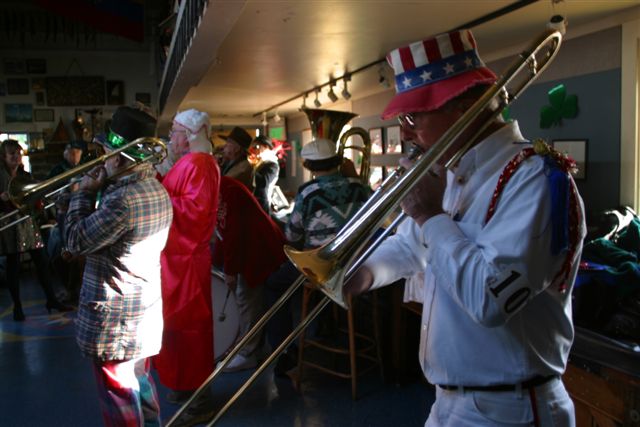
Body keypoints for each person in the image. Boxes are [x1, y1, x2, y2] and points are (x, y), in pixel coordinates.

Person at [344, 29, 586, 426]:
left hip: (511, 409)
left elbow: (491, 300)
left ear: (464, 108)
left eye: (413, 117)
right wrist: (359, 275)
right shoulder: (452, 172)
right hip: (449, 402)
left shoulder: (534, 178)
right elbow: (412, 247)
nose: (405, 132)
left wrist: (430, 215)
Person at [64, 106, 173, 426]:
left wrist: (83, 193)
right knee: (140, 387)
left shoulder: (122, 200)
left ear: (123, 159)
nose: (103, 159)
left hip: (116, 323)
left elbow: (74, 240)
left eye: (108, 154)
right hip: (139, 316)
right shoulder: (155, 188)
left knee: (119, 398)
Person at [264, 137, 370, 376]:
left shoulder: (308, 192)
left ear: (309, 165)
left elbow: (292, 235)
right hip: (360, 265)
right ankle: (325, 326)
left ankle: (285, 352)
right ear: (337, 160)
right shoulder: (359, 185)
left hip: (325, 267)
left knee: (274, 284)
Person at [153, 108, 220, 424]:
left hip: (187, 260)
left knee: (191, 332)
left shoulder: (199, 163)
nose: (170, 138)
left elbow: (194, 212)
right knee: (178, 330)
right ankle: (185, 387)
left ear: (191, 135)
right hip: (179, 259)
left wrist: (154, 196)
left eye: (175, 132)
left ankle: (199, 400)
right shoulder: (193, 162)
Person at [211, 176, 287, 372]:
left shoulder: (228, 191)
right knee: (248, 302)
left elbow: (233, 231)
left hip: (256, 249)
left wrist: (229, 270)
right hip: (251, 247)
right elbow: (222, 231)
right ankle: (250, 347)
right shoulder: (221, 186)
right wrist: (218, 262)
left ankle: (248, 352)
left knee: (248, 301)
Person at [0, 139, 70, 321]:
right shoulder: (0, 176)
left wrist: (39, 202)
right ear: (3, 157)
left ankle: (51, 300)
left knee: (42, 261)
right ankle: (17, 307)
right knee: (13, 265)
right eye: (12, 154)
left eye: (18, 153)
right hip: (10, 224)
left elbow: (34, 198)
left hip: (27, 222)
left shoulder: (25, 175)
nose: (16, 157)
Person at [249, 135, 279, 215]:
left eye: (256, 147)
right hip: (255, 200)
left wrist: (250, 169)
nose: (254, 150)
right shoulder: (261, 161)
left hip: (262, 203)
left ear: (266, 147)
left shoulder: (272, 164)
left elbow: (264, 182)